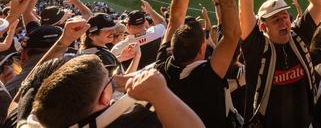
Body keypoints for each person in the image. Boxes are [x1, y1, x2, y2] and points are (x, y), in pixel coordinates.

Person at [238, 0, 321, 127]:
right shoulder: (257, 48)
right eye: (276, 19)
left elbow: (319, 4)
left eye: (285, 16)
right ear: (263, 26)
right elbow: (245, 11)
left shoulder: (298, 37)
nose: (283, 22)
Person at [155, 0, 242, 127]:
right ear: (203, 47)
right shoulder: (208, 75)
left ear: (172, 46)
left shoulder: (161, 66)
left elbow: (175, 19)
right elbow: (232, 34)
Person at [26, 55, 205, 128]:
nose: (114, 79)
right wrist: (161, 93)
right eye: (110, 79)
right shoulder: (139, 120)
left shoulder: (33, 118)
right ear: (104, 98)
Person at [111, 0, 166, 70]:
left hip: (135, 80)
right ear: (145, 22)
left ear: (128, 26)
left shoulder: (118, 48)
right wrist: (150, 11)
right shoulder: (157, 33)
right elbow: (163, 23)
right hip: (158, 75)